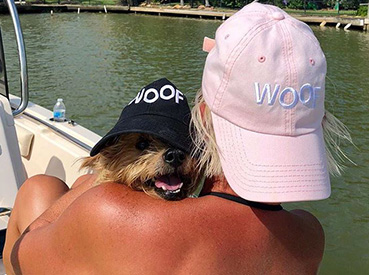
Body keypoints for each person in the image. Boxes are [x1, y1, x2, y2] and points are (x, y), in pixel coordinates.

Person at [2, 3, 348, 273]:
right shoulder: (308, 237)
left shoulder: (113, 212)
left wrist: (90, 186)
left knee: (40, 188)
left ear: (201, 116)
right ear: (319, 122)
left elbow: (20, 255)